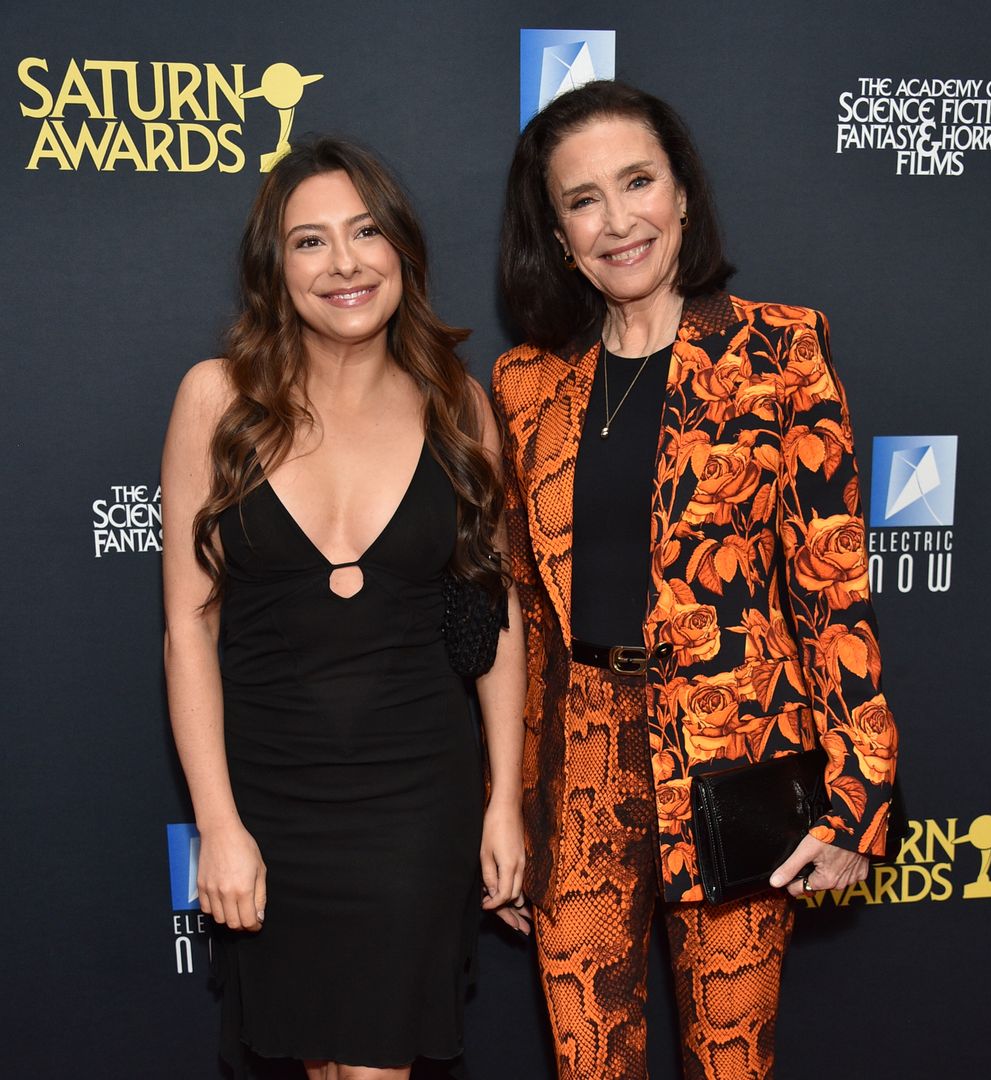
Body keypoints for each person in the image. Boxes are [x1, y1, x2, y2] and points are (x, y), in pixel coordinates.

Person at [492, 81, 898, 1079]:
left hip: (738, 757)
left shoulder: (781, 350)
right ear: (556, 229)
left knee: (730, 1060)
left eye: (639, 182)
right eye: (584, 199)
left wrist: (859, 794)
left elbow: (831, 585)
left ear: (682, 193)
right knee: (591, 1062)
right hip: (577, 765)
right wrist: (506, 801)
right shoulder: (526, 384)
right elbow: (520, 622)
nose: (618, 219)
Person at [161, 136, 528, 1080]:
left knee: (373, 1067)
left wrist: (504, 803)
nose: (345, 263)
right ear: (274, 271)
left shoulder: (460, 408)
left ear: (401, 247)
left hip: (416, 798)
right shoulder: (218, 401)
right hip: (272, 798)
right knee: (313, 1063)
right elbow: (189, 631)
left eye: (365, 232)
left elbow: (493, 624)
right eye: (309, 241)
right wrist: (220, 823)